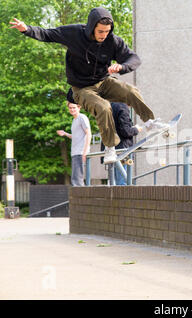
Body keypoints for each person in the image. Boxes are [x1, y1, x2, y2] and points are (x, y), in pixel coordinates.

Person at [10, 7, 165, 164]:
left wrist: (122, 67)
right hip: (82, 89)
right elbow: (48, 34)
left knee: (130, 91)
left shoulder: (113, 41)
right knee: (104, 107)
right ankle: (110, 148)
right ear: (92, 27)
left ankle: (149, 122)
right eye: (100, 32)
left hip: (104, 82)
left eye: (107, 31)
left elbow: (134, 58)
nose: (103, 35)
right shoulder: (75, 34)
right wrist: (27, 29)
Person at [100, 101, 143, 185]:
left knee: (114, 183)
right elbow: (125, 131)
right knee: (122, 183)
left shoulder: (108, 105)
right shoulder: (122, 107)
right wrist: (136, 129)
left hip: (109, 149)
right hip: (121, 150)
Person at [57, 98, 91, 186]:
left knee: (77, 180)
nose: (72, 109)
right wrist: (65, 134)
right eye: (70, 108)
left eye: (74, 107)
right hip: (74, 153)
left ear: (79, 107)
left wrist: (85, 151)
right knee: (75, 179)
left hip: (80, 153)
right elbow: (76, 136)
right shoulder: (74, 120)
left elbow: (88, 133)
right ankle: (79, 198)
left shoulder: (82, 118)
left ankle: (81, 198)